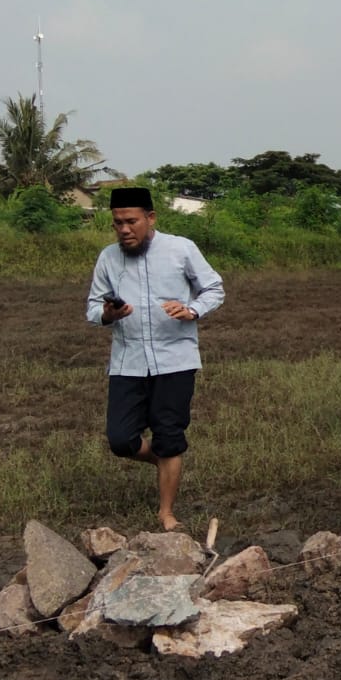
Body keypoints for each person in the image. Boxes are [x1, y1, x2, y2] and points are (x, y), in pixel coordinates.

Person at [86, 186, 226, 532]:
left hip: (175, 360)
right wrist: (108, 314)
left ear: (150, 218)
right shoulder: (108, 258)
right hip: (128, 362)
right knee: (120, 439)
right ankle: (165, 461)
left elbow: (214, 288)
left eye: (131, 221)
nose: (124, 229)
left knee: (169, 434)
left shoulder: (181, 249)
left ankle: (166, 514)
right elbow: (92, 308)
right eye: (117, 223)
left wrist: (192, 309)